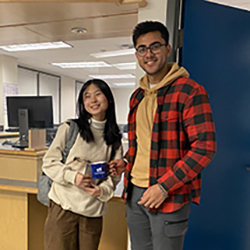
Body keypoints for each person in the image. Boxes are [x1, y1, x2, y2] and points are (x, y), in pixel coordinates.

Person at [109, 21, 217, 250]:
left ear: (168, 49)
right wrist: (125, 162)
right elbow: (141, 145)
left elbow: (204, 148)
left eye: (155, 46)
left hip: (168, 194)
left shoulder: (189, 91)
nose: (149, 54)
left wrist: (164, 187)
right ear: (137, 54)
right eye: (142, 48)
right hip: (134, 192)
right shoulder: (136, 97)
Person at [42, 79, 123, 250]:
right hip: (63, 207)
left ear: (108, 99)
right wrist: (74, 177)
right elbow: (49, 162)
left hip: (92, 211)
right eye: (87, 96)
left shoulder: (114, 137)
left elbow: (114, 175)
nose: (92, 100)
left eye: (98, 94)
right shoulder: (70, 129)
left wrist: (103, 190)